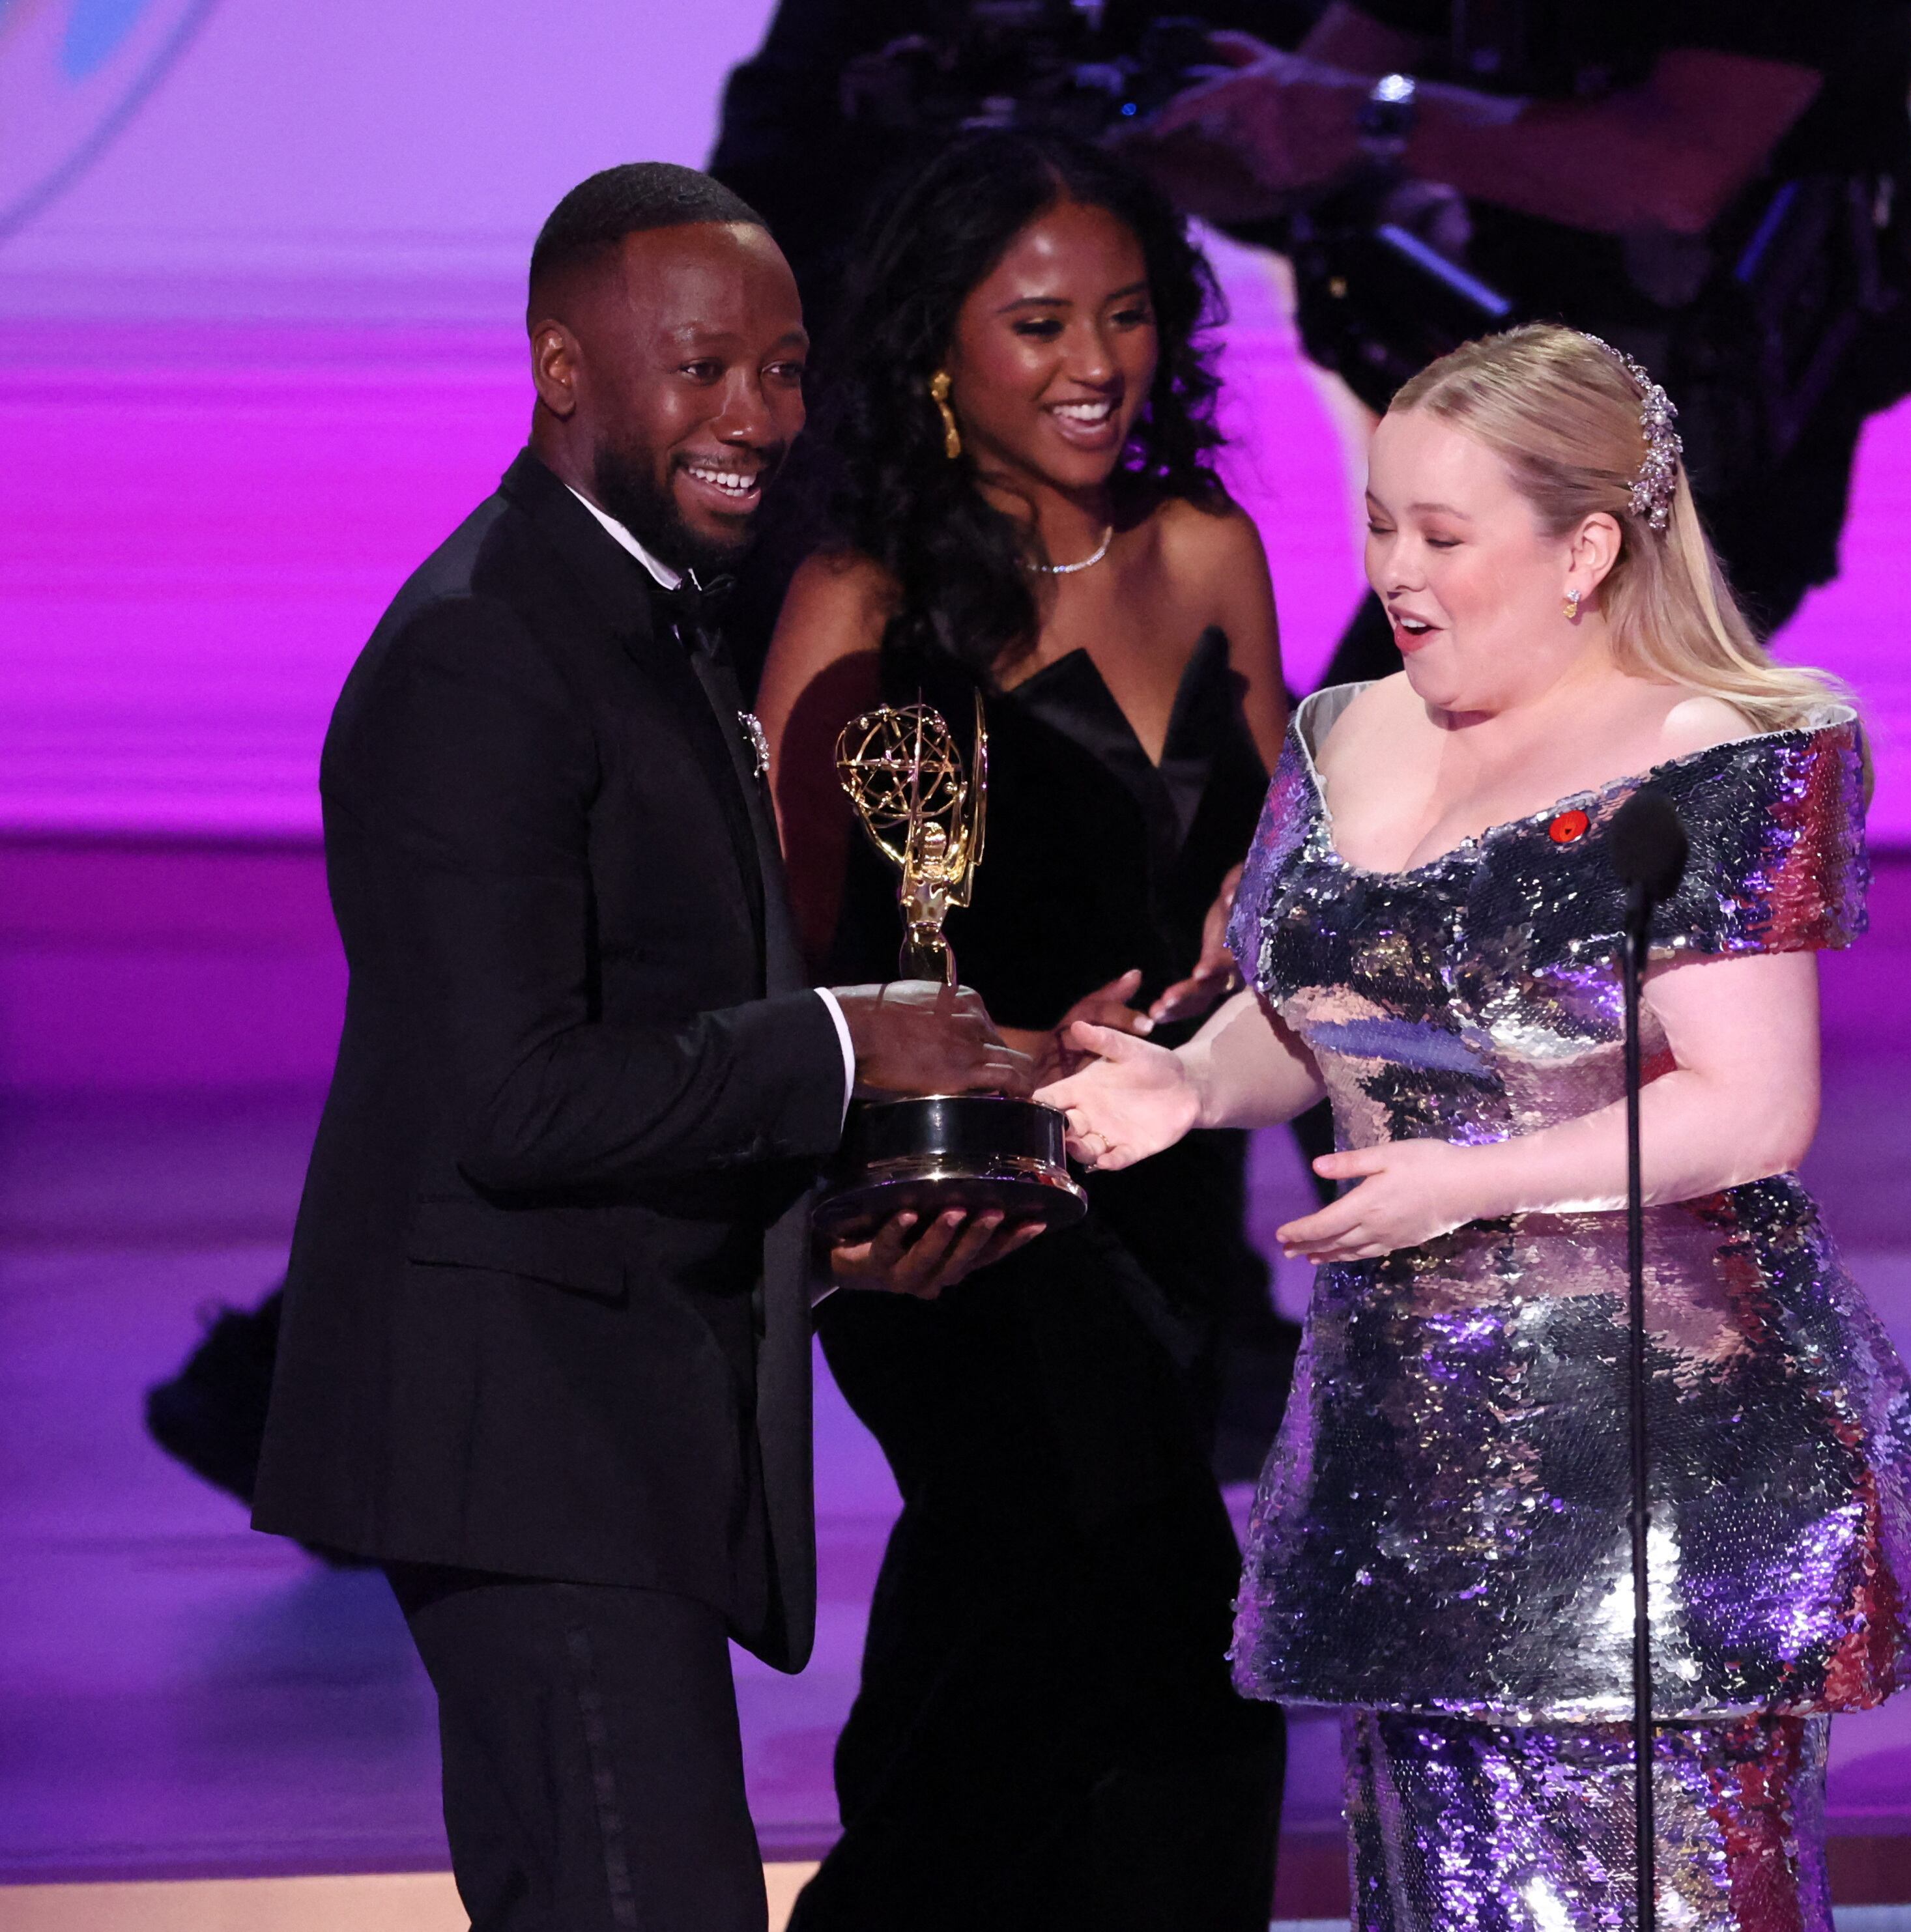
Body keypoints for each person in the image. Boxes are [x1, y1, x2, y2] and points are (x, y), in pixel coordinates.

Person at [1041, 323, 1911, 1929]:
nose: (1394, 569)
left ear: (1585, 545)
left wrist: (1467, 1184)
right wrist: (1186, 1081)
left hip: (1648, 1466)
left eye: (1442, 536)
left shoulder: (1719, 749)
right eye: (1379, 523)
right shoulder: (1344, 732)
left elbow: (1752, 1104)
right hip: (1409, 1449)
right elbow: (1320, 998)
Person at [250, 163, 1036, 1932]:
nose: (754, 415)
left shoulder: (638, 606)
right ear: (561, 364)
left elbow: (650, 1030)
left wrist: (826, 1214)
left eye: (780, 367)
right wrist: (848, 1047)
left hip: (592, 1414)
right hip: (525, 1438)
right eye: (700, 369)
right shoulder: (487, 656)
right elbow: (516, 1096)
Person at [750, 128, 1289, 1927]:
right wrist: (989, 1057)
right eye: (1039, 322)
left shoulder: (1204, 544)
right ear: (936, 346)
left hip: (1162, 1173)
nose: (1094, 365)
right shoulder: (861, 597)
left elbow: (1287, 858)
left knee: (1081, 1619)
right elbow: (776, 947)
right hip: (953, 1204)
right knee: (1105, 1587)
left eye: (1126, 316)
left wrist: (1267, 946)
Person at [1139, 0, 1911, 682]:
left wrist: (1374, 116)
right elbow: (1290, 145)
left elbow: (1675, 177)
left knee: (1401, 805)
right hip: (1513, 437)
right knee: (1364, 790)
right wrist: (1120, 134)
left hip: (1693, 471)